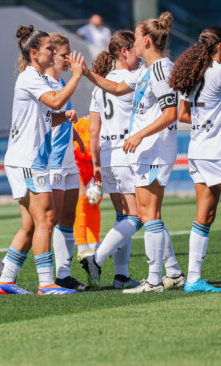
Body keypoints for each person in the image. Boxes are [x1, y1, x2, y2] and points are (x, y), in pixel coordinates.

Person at [79, 12, 185, 293]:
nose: (134, 42)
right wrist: (88, 73)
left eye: (137, 37)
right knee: (147, 215)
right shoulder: (149, 71)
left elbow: (171, 112)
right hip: (138, 150)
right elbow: (115, 87)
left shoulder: (160, 69)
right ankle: (169, 273)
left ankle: (147, 276)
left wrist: (138, 134)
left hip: (150, 149)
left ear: (146, 41)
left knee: (143, 215)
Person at [0, 25, 84, 295]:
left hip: (28, 160)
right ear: (34, 53)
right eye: (50, 49)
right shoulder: (30, 77)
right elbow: (56, 102)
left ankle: (6, 280)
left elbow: (48, 115)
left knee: (32, 224)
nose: (54, 52)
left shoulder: (39, 79)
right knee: (46, 217)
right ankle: (47, 283)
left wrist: (63, 118)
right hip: (28, 161)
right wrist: (77, 76)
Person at [87, 30, 142, 290]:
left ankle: (121, 275)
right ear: (124, 51)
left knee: (122, 216)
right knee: (139, 216)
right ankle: (95, 259)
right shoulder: (133, 78)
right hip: (126, 152)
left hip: (108, 154)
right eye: (135, 50)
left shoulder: (101, 83)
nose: (139, 56)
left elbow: (94, 131)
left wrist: (96, 163)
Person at [169, 27, 221, 292]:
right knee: (206, 213)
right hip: (215, 151)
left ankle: (192, 279)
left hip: (198, 149)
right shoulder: (217, 72)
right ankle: (192, 278)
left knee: (206, 214)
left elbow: (183, 115)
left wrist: (207, 120)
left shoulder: (193, 74)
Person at [45, 33, 89, 291]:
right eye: (65, 54)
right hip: (53, 160)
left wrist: (76, 138)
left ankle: (63, 274)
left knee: (68, 217)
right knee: (48, 220)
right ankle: (13, 266)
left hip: (68, 157)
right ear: (51, 55)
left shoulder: (62, 81)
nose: (69, 58)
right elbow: (51, 116)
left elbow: (61, 119)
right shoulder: (45, 84)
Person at [73, 116, 102, 258]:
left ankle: (94, 243)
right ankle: (81, 245)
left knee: (94, 202)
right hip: (76, 166)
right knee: (81, 201)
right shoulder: (82, 124)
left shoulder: (112, 124)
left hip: (94, 168)